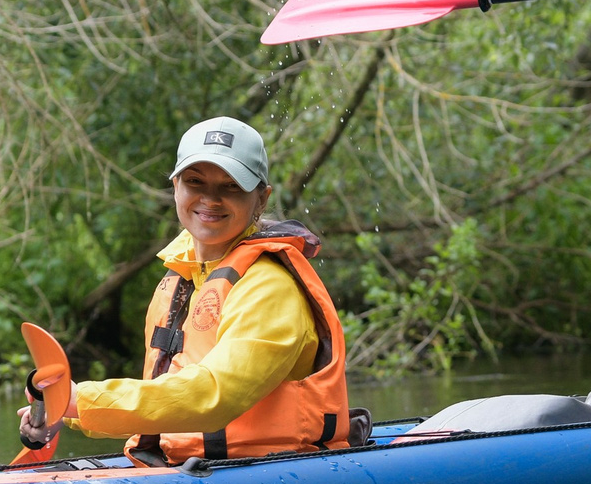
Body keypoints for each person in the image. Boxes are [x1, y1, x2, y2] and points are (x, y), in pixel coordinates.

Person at [20, 117, 354, 462]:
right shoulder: (180, 280)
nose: (211, 199)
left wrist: (82, 400)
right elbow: (165, 398)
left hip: (273, 476)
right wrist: (69, 412)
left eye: (232, 187)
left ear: (262, 199)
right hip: (190, 468)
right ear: (176, 186)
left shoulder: (270, 288)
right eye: (196, 182)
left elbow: (214, 395)